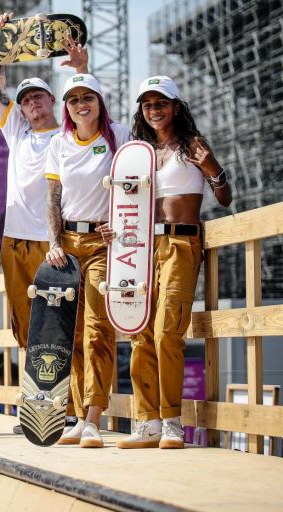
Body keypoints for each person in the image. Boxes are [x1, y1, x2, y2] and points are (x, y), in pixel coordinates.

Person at [0, 11, 89, 434]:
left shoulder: (68, 134)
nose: (30, 104)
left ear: (52, 102)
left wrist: (81, 69)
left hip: (55, 242)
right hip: (14, 243)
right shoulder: (17, 132)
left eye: (38, 98)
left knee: (65, 326)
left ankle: (72, 409)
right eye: (25, 99)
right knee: (25, 328)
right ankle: (38, 407)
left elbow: (89, 101)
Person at [116, 76, 232, 449]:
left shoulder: (192, 145)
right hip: (143, 247)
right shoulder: (142, 152)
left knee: (169, 331)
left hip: (182, 242)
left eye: (161, 103)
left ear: (176, 107)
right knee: (139, 331)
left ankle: (171, 421)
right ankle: (147, 421)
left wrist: (213, 166)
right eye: (148, 104)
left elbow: (225, 198)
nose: (155, 110)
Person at [44, 73, 130, 447]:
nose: (81, 104)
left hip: (101, 243)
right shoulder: (59, 143)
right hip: (67, 243)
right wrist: (53, 242)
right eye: (74, 98)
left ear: (99, 101)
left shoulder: (120, 136)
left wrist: (122, 219)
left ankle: (94, 417)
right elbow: (52, 198)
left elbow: (136, 186)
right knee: (71, 332)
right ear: (66, 107)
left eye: (88, 96)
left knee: (97, 329)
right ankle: (78, 417)